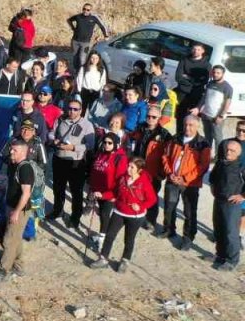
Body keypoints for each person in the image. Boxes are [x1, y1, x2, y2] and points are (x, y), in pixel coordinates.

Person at [90, 156, 157, 273]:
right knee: (110, 235)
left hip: (135, 216)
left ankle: (125, 260)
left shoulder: (144, 182)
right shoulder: (122, 178)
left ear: (139, 170)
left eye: (132, 167)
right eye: (128, 166)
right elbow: (114, 193)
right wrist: (102, 195)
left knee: (129, 239)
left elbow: (152, 199)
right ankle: (103, 259)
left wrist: (140, 206)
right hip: (119, 211)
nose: (128, 169)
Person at [0, 140, 38, 283]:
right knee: (16, 237)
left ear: (23, 152)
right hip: (11, 206)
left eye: (14, 150)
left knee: (9, 239)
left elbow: (26, 193)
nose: (11, 152)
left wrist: (16, 212)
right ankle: (18, 265)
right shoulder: (15, 164)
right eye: (11, 149)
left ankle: (3, 270)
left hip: (19, 209)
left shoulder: (25, 169)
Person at [159, 115, 213, 251]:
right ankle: (169, 230)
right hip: (172, 179)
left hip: (190, 184)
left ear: (197, 126)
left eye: (191, 125)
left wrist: (185, 178)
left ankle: (188, 238)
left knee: (189, 212)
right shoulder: (176, 138)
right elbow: (165, 155)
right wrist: (169, 172)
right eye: (185, 125)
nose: (187, 128)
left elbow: (203, 166)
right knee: (169, 206)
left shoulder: (203, 144)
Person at [46, 97, 94, 228]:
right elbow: (51, 133)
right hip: (59, 158)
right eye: (70, 108)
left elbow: (90, 145)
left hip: (76, 162)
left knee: (76, 192)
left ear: (81, 111)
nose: (72, 111)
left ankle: (75, 218)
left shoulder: (87, 125)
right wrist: (53, 140)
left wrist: (73, 148)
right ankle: (57, 211)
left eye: (75, 109)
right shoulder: (61, 119)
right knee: (58, 188)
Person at [88, 132, 128, 248]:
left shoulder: (120, 158)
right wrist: (93, 189)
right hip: (98, 191)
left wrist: (111, 194)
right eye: (104, 142)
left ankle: (102, 240)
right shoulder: (101, 154)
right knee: (102, 214)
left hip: (110, 193)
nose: (106, 145)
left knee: (105, 215)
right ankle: (102, 235)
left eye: (110, 143)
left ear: (115, 144)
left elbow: (120, 179)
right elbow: (95, 172)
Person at [210, 139, 245, 271]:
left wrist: (242, 196)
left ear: (238, 154)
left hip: (232, 204)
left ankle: (232, 260)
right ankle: (220, 255)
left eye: (232, 151)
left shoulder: (241, 167)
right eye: (227, 149)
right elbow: (212, 177)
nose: (228, 152)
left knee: (230, 232)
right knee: (219, 230)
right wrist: (213, 188)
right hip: (218, 200)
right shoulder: (220, 162)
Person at [173, 43, 211, 122]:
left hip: (196, 94)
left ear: (203, 51)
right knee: (179, 116)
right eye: (194, 49)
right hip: (182, 93)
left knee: (191, 118)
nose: (195, 51)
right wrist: (194, 81)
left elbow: (204, 81)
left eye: (198, 50)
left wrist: (188, 77)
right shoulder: (184, 60)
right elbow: (178, 77)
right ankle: (179, 133)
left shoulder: (206, 65)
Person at [66, 3, 107, 70]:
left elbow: (102, 26)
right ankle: (76, 72)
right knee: (75, 58)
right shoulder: (78, 17)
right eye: (84, 9)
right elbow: (69, 20)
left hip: (86, 43)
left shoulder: (94, 18)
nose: (85, 11)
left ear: (90, 11)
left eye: (88, 10)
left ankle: (82, 73)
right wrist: (73, 28)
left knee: (82, 59)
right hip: (75, 41)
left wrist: (106, 35)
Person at [201, 65, 234, 148]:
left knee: (218, 138)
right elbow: (205, 97)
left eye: (218, 73)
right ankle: (206, 154)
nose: (215, 74)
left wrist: (221, 116)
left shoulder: (227, 87)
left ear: (223, 74)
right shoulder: (210, 83)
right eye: (214, 72)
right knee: (207, 137)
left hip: (216, 117)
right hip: (206, 115)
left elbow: (227, 103)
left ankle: (218, 157)